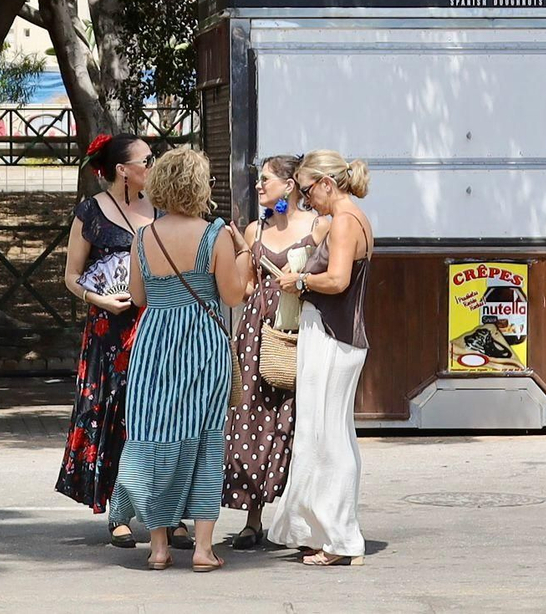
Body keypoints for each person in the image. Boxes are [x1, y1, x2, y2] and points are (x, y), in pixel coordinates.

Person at [108, 148, 251, 572]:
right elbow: (232, 295)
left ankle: (158, 548)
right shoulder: (217, 234)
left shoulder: (143, 236)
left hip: (155, 344)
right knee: (206, 440)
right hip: (203, 343)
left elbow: (137, 298)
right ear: (198, 186)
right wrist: (243, 254)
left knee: (155, 436)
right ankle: (204, 550)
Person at [266, 149, 374, 567]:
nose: (308, 201)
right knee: (322, 433)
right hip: (336, 334)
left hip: (333, 335)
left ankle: (341, 536)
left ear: (327, 184)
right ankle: (323, 531)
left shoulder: (345, 221)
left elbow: (337, 279)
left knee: (328, 436)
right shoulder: (350, 219)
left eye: (309, 192)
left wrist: (300, 279)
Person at [55, 133, 156, 548]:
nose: (153, 164)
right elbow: (71, 277)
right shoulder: (91, 211)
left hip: (154, 324)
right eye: (147, 159)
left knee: (155, 417)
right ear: (123, 169)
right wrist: (100, 299)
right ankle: (119, 509)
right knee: (114, 415)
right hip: (108, 330)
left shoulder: (162, 207)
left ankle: (167, 512)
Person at [223, 154, 318, 548]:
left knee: (298, 422)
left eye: (265, 180)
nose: (259, 186)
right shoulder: (254, 230)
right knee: (255, 419)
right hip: (258, 331)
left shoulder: (318, 226)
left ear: (289, 185)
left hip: (302, 329)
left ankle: (300, 518)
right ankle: (253, 518)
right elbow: (245, 288)